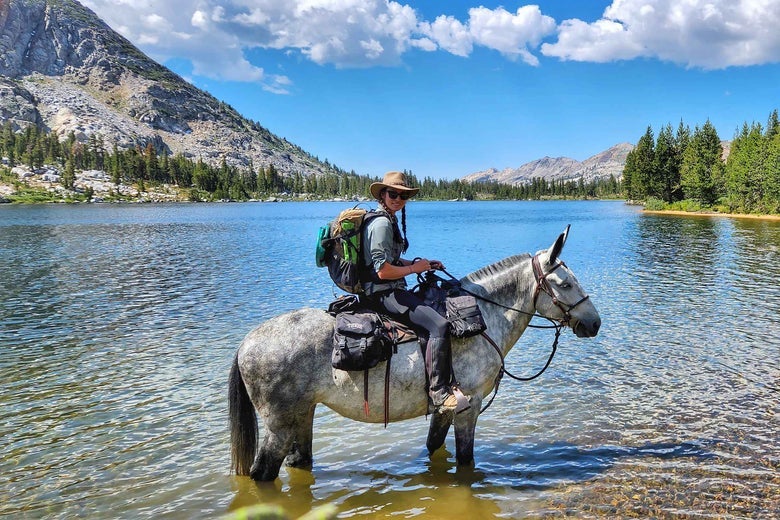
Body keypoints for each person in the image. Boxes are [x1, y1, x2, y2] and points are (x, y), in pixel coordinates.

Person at [361, 171, 469, 414]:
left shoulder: (388, 219)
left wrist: (424, 264)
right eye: (393, 194)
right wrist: (413, 269)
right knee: (439, 325)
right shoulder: (381, 224)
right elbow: (382, 272)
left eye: (403, 195)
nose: (398, 199)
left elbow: (392, 259)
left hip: (388, 289)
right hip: (383, 294)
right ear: (382, 195)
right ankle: (439, 393)